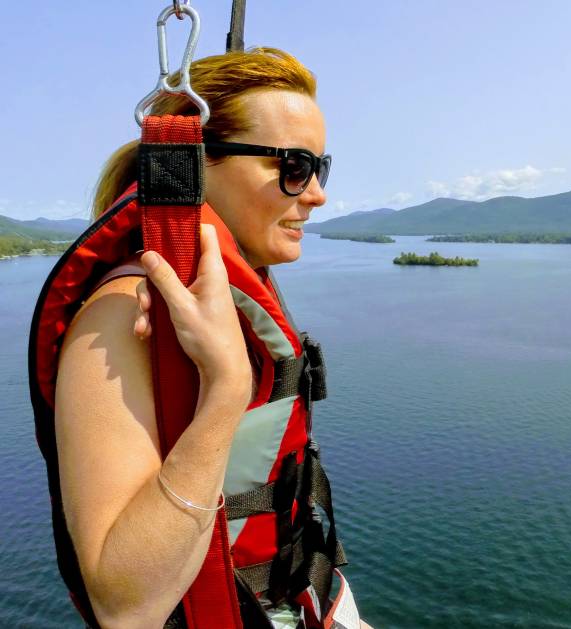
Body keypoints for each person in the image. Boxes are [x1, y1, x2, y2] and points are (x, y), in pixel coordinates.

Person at [42, 47, 370, 627]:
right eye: (294, 166)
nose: (316, 193)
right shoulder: (123, 318)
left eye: (320, 168)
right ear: (192, 164)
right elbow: (126, 608)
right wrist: (226, 388)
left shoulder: (226, 296)